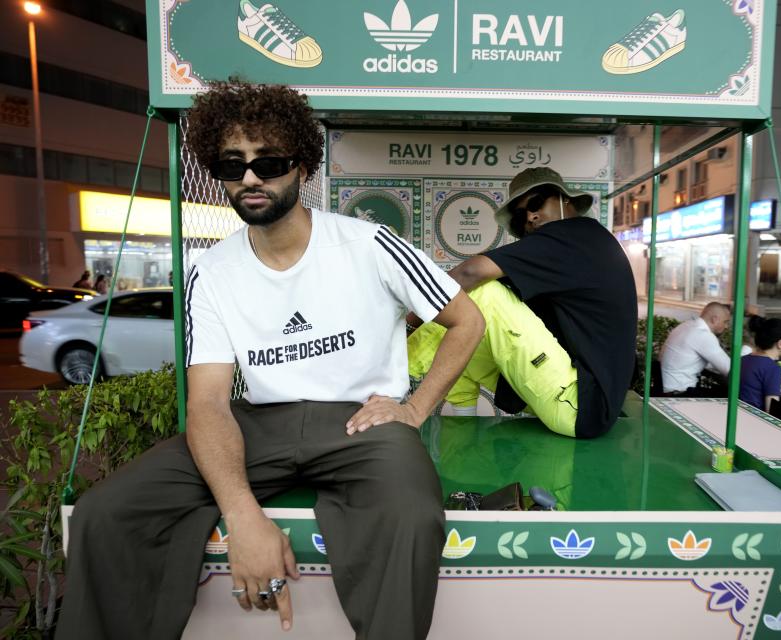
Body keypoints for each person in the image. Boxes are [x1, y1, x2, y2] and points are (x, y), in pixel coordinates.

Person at [55, 82, 485, 640]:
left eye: (269, 162)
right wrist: (241, 515)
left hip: (362, 424)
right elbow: (209, 400)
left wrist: (416, 408)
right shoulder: (211, 271)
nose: (251, 178)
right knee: (102, 515)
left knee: (410, 516)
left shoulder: (369, 243)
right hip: (259, 426)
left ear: (301, 166)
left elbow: (466, 320)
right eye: (232, 166)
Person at [406, 167, 637, 439]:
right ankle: (462, 433)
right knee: (466, 340)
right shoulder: (578, 248)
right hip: (581, 404)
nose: (530, 216)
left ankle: (396, 368)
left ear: (566, 200)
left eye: (536, 203)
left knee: (485, 292)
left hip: (579, 404)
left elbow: (472, 273)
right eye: (521, 214)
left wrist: (408, 324)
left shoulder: (575, 234)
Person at [659, 302, 732, 395]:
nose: (726, 326)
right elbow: (730, 369)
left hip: (666, 386)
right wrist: (747, 349)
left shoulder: (687, 325)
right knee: (726, 396)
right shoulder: (704, 335)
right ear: (714, 319)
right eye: (725, 322)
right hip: (680, 392)